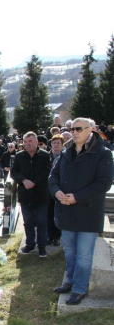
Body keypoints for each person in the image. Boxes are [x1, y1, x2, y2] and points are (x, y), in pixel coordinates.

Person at [49, 118, 114, 305]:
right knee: (69, 250)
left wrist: (76, 197)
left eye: (78, 129)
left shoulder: (102, 154)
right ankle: (70, 281)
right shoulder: (66, 152)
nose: (74, 132)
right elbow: (53, 176)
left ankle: (79, 288)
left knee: (84, 254)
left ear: (90, 130)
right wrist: (56, 192)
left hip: (87, 211)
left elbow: (103, 183)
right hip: (66, 210)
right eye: (72, 129)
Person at [11, 132, 52, 258]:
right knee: (28, 221)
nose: (27, 144)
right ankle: (30, 244)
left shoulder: (45, 155)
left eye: (29, 141)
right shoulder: (19, 156)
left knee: (41, 222)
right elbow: (14, 172)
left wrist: (33, 182)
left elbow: (47, 171)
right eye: (25, 141)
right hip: (25, 194)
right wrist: (23, 180)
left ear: (35, 141)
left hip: (41, 194)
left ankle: (42, 246)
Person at [47, 134, 65, 246]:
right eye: (54, 143)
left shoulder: (66, 157)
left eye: (58, 143)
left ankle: (57, 236)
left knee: (58, 215)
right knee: (48, 215)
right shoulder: (46, 156)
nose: (56, 145)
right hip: (48, 190)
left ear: (62, 145)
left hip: (61, 190)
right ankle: (50, 236)